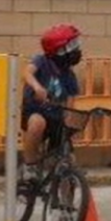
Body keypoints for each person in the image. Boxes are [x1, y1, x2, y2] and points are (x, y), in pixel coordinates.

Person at [23, 23, 84, 181]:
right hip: (35, 112)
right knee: (38, 123)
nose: (76, 50)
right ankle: (29, 166)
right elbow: (27, 73)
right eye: (71, 46)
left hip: (56, 118)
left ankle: (68, 200)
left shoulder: (69, 75)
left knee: (68, 160)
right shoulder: (41, 61)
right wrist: (37, 87)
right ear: (58, 50)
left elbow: (71, 100)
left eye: (76, 45)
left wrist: (69, 122)